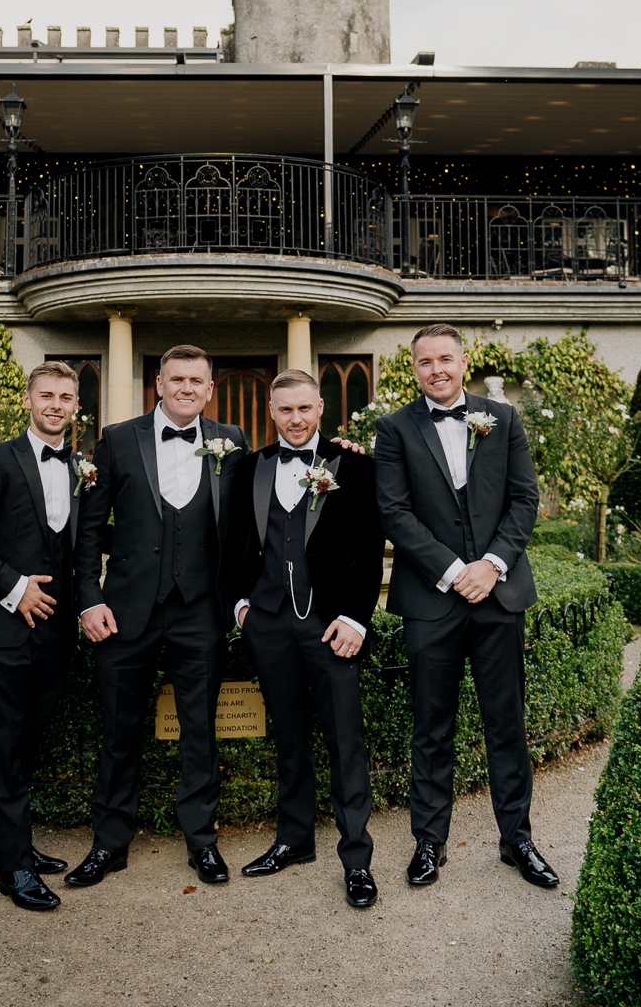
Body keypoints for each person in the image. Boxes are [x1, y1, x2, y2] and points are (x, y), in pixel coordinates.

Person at [373, 323, 558, 890]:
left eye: (446, 359)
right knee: (431, 727)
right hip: (432, 602)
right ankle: (429, 843)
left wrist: (492, 565)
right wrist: (455, 573)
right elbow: (394, 513)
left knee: (507, 723)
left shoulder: (503, 419)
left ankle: (517, 840)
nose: (437, 370)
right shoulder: (394, 428)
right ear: (414, 369)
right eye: (425, 362)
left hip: (498, 597)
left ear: (464, 360)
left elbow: (525, 498)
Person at [68, 346, 249, 888]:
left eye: (197, 379)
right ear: (159, 383)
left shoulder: (233, 441)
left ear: (210, 388)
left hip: (200, 612)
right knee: (119, 733)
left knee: (200, 732)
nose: (187, 388)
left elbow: (249, 522)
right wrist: (89, 598)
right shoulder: (119, 439)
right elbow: (87, 528)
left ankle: (202, 842)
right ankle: (109, 844)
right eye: (177, 379)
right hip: (125, 612)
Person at [218, 370, 384, 909]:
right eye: (285, 410)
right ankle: (294, 840)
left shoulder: (354, 466)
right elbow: (230, 545)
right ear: (271, 411)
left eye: (305, 409)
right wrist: (240, 605)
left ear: (320, 408)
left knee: (345, 743)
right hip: (267, 625)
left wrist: (357, 619)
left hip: (330, 627)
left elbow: (367, 551)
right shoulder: (249, 468)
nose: (296, 420)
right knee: (287, 738)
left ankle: (357, 859)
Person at [0, 361, 86, 912]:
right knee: (4, 749)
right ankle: (13, 869)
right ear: (28, 401)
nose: (56, 404)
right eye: (46, 395)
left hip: (55, 638)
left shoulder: (82, 468)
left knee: (26, 746)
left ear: (76, 405)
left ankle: (18, 841)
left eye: (66, 396)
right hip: (2, 633)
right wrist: (14, 587)